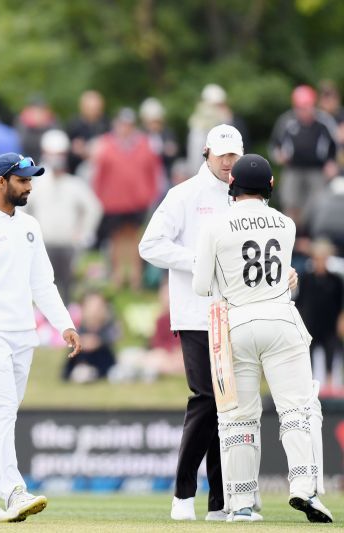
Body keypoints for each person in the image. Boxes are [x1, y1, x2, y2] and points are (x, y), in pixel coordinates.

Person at [193, 154, 332, 523]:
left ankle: (239, 505)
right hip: (281, 320)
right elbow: (281, 275)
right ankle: (305, 488)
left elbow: (200, 285)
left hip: (236, 323)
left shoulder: (214, 226)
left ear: (232, 186)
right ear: (270, 186)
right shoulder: (286, 224)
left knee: (237, 418)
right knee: (299, 409)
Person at [0, 152, 80, 522]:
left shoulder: (30, 226)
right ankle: (12, 490)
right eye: (23, 180)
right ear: (1, 182)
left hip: (22, 335)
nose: (29, 186)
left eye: (30, 180)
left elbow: (42, 283)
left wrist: (64, 324)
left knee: (3, 413)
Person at [139, 125, 244, 521]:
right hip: (197, 313)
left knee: (227, 405)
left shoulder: (244, 196)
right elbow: (149, 245)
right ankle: (183, 494)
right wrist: (198, 261)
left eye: (234, 155)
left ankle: (220, 501)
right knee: (206, 398)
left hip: (235, 313)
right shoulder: (183, 194)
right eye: (222, 156)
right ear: (207, 153)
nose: (228, 162)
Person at [25, 130, 102, 302]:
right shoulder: (35, 184)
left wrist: (84, 233)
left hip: (69, 246)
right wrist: (28, 235)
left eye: (59, 154)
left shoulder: (74, 184)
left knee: (67, 290)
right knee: (41, 289)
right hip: (43, 246)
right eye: (52, 154)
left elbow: (94, 208)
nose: (55, 158)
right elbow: (21, 209)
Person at [93, 108, 161, 290]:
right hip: (113, 200)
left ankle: (134, 278)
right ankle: (117, 276)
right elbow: (99, 173)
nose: (125, 128)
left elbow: (154, 171)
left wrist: (151, 194)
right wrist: (99, 196)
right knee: (116, 239)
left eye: (128, 125)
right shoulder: (106, 144)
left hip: (138, 200)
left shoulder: (145, 144)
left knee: (135, 238)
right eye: (122, 124)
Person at [269, 84, 339, 229]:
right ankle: (290, 235)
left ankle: (312, 235)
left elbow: (335, 145)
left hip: (317, 171)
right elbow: (274, 146)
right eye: (300, 108)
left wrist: (332, 163)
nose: (304, 112)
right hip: (293, 169)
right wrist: (279, 156)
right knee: (290, 202)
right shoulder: (286, 121)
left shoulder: (324, 122)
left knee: (316, 205)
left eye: (307, 107)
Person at [295, 239, 344, 391]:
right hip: (310, 325)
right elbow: (299, 302)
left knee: (331, 354)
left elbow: (341, 303)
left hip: (329, 326)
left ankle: (330, 387)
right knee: (308, 357)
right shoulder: (306, 279)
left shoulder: (335, 280)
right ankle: (309, 387)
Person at [65, 90, 110, 174]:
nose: (93, 111)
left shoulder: (106, 124)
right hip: (77, 169)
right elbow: (67, 149)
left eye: (96, 108)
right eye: (90, 108)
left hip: (101, 169)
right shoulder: (74, 125)